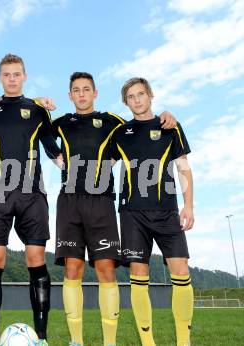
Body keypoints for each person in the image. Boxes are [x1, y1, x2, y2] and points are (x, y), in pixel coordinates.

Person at [52, 72, 177, 346]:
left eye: (87, 89)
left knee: (106, 270)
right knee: (72, 270)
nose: (82, 94)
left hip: (103, 202)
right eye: (76, 90)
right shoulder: (60, 124)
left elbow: (143, 124)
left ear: (95, 93)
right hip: (69, 202)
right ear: (70, 95)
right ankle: (76, 341)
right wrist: (54, 154)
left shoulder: (112, 123)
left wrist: (166, 116)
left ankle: (110, 342)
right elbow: (34, 131)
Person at [0, 54, 62, 346]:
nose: (12, 78)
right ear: (0, 77)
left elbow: (50, 145)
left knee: (35, 257)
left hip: (32, 193)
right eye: (6, 74)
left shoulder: (37, 109)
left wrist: (64, 162)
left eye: (16, 74)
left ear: (24, 76)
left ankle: (42, 337)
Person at [111, 77, 194, 346]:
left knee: (180, 270)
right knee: (139, 274)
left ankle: (184, 342)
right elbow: (100, 161)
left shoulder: (170, 126)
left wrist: (189, 205)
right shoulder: (121, 133)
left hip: (167, 211)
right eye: (131, 97)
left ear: (151, 95)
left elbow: (184, 168)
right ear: (126, 102)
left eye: (140, 94)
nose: (136, 100)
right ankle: (148, 343)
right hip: (132, 214)